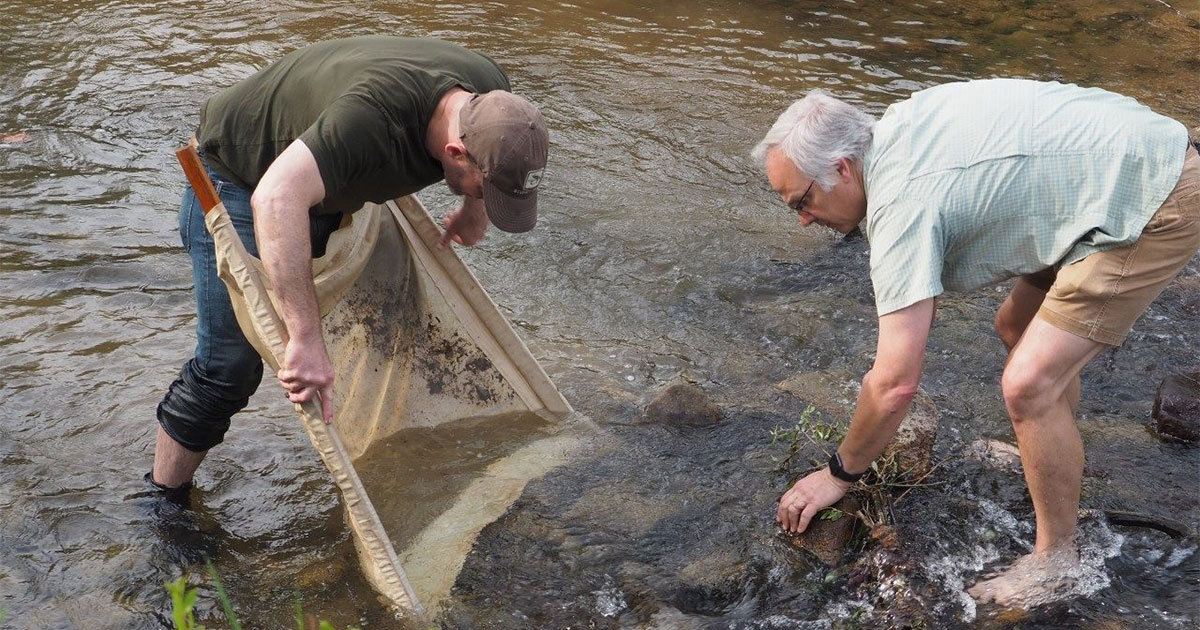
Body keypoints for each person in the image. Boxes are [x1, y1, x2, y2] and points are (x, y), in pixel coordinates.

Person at [753, 79, 1197, 607]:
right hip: (1115, 169)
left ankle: (1058, 562)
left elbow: (895, 384)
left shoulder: (901, 204)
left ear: (843, 167)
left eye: (803, 200)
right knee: (1016, 327)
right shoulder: (897, 128)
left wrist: (838, 474)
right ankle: (1055, 460)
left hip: (1154, 195)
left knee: (1028, 385)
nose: (804, 219)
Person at [149, 36, 549, 499]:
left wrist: (475, 206)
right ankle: (163, 501)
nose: (486, 196)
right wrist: (304, 339)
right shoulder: (369, 122)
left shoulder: (497, 104)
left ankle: (401, 472)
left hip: (318, 176)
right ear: (455, 153)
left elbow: (487, 159)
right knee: (229, 369)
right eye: (486, 188)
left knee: (392, 329)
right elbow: (276, 199)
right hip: (241, 179)